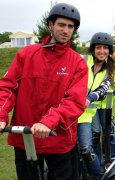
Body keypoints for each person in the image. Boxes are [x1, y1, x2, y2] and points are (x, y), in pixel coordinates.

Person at [0, 3, 88, 180]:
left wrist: (49, 121)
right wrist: (1, 114)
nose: (66, 30)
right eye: (61, 25)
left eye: (71, 27)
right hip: (26, 138)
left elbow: (75, 101)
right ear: (50, 25)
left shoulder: (77, 63)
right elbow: (8, 87)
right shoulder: (26, 55)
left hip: (60, 139)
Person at [78, 32, 115, 180]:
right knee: (66, 151)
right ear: (92, 49)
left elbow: (104, 88)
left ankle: (97, 177)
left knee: (86, 150)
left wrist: (89, 98)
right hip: (68, 112)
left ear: (109, 51)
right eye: (98, 47)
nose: (102, 51)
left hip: (86, 116)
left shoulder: (110, 69)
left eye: (105, 48)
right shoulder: (82, 60)